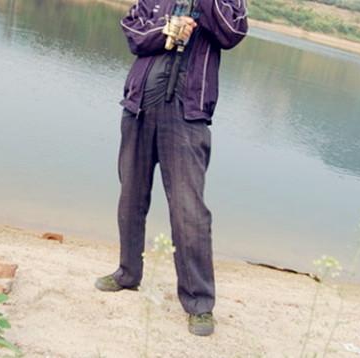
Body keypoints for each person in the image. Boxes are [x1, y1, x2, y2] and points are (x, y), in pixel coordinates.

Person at [94, 0, 248, 336]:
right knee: (131, 197)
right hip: (139, 105)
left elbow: (233, 32)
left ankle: (199, 303)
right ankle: (128, 273)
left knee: (189, 211)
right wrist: (164, 31)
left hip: (187, 114)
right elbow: (133, 32)